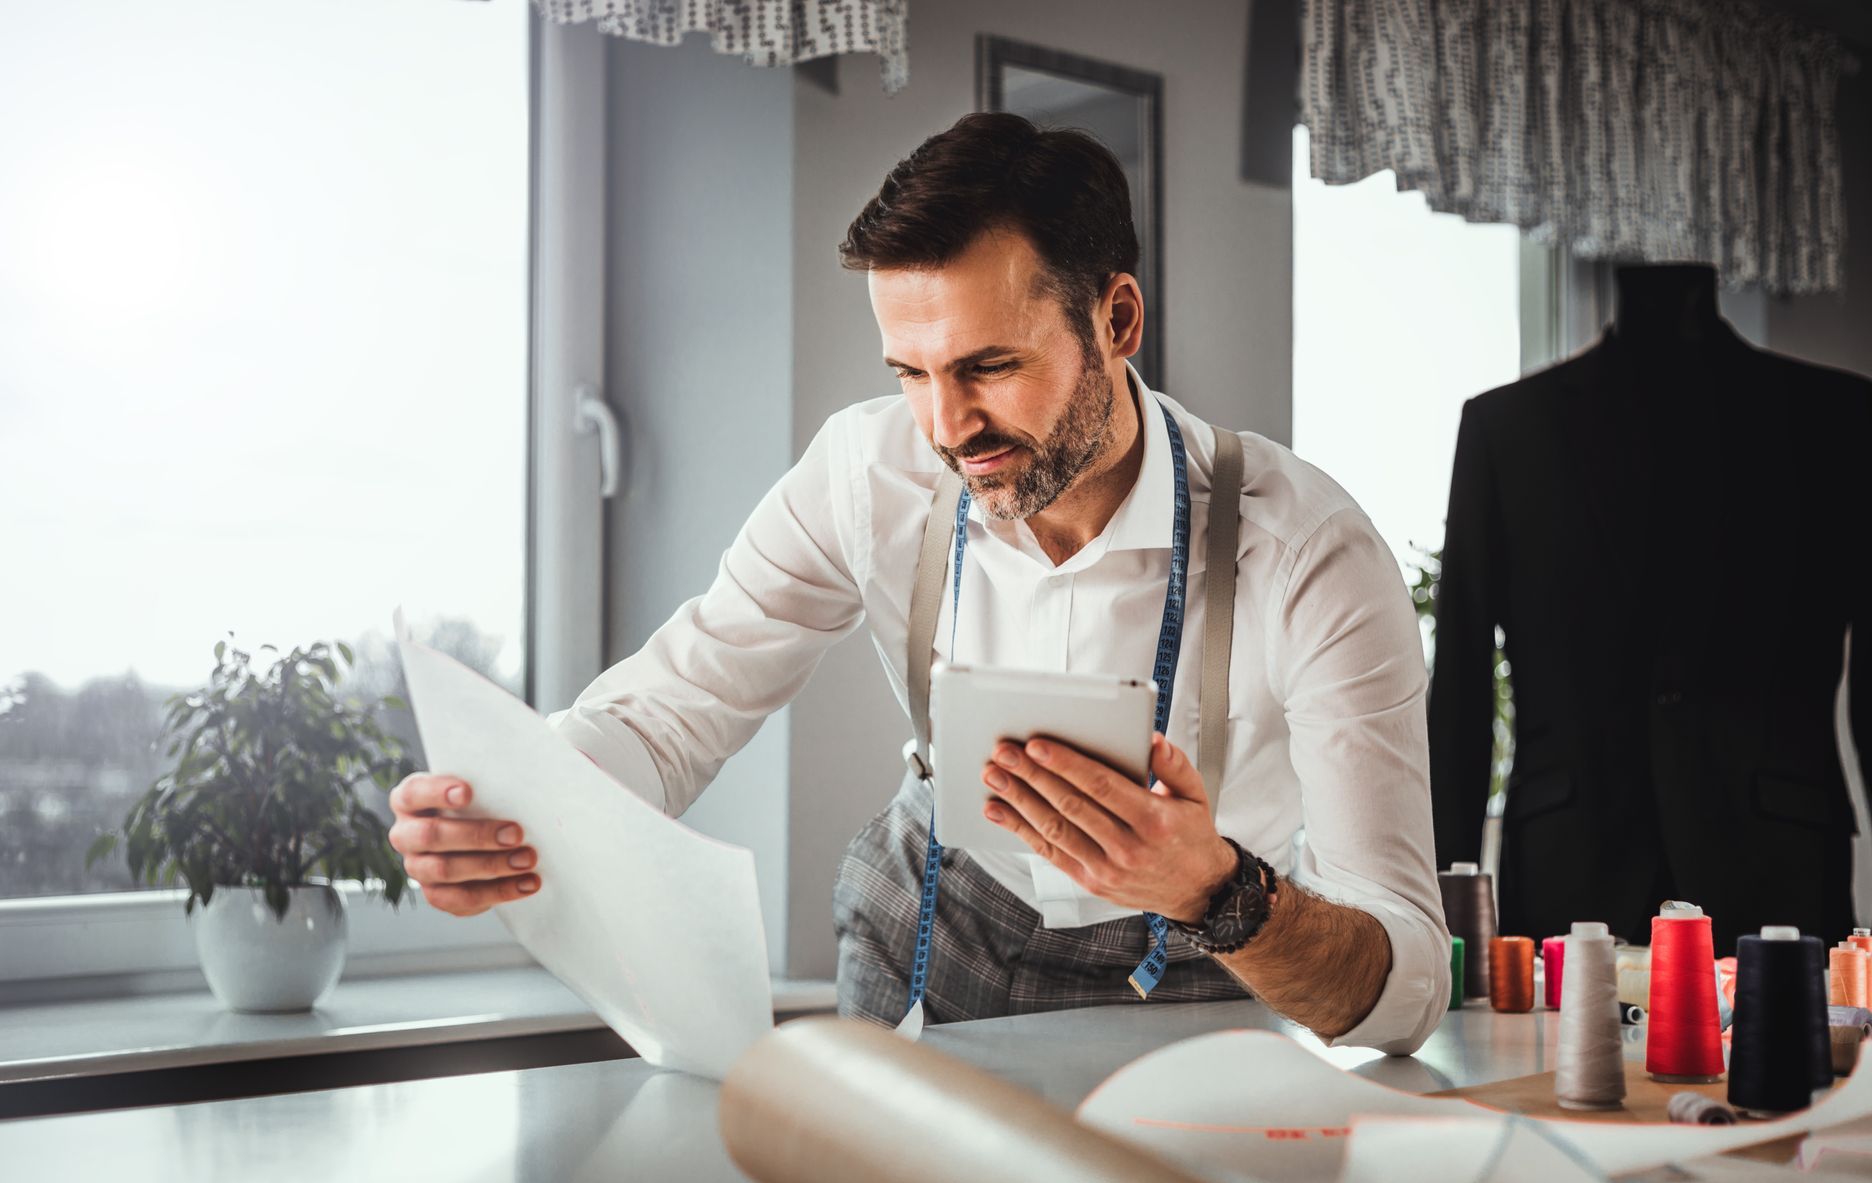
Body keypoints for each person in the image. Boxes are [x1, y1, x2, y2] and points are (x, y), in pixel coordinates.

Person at [388, 112, 1450, 1054]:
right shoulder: (866, 469)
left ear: (1117, 321)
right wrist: (521, 806)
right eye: (911, 374)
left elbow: (1406, 986)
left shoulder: (1311, 552)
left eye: (988, 367)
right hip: (926, 936)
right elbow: (671, 713)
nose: (946, 429)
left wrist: (1215, 891)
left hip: (1204, 984)